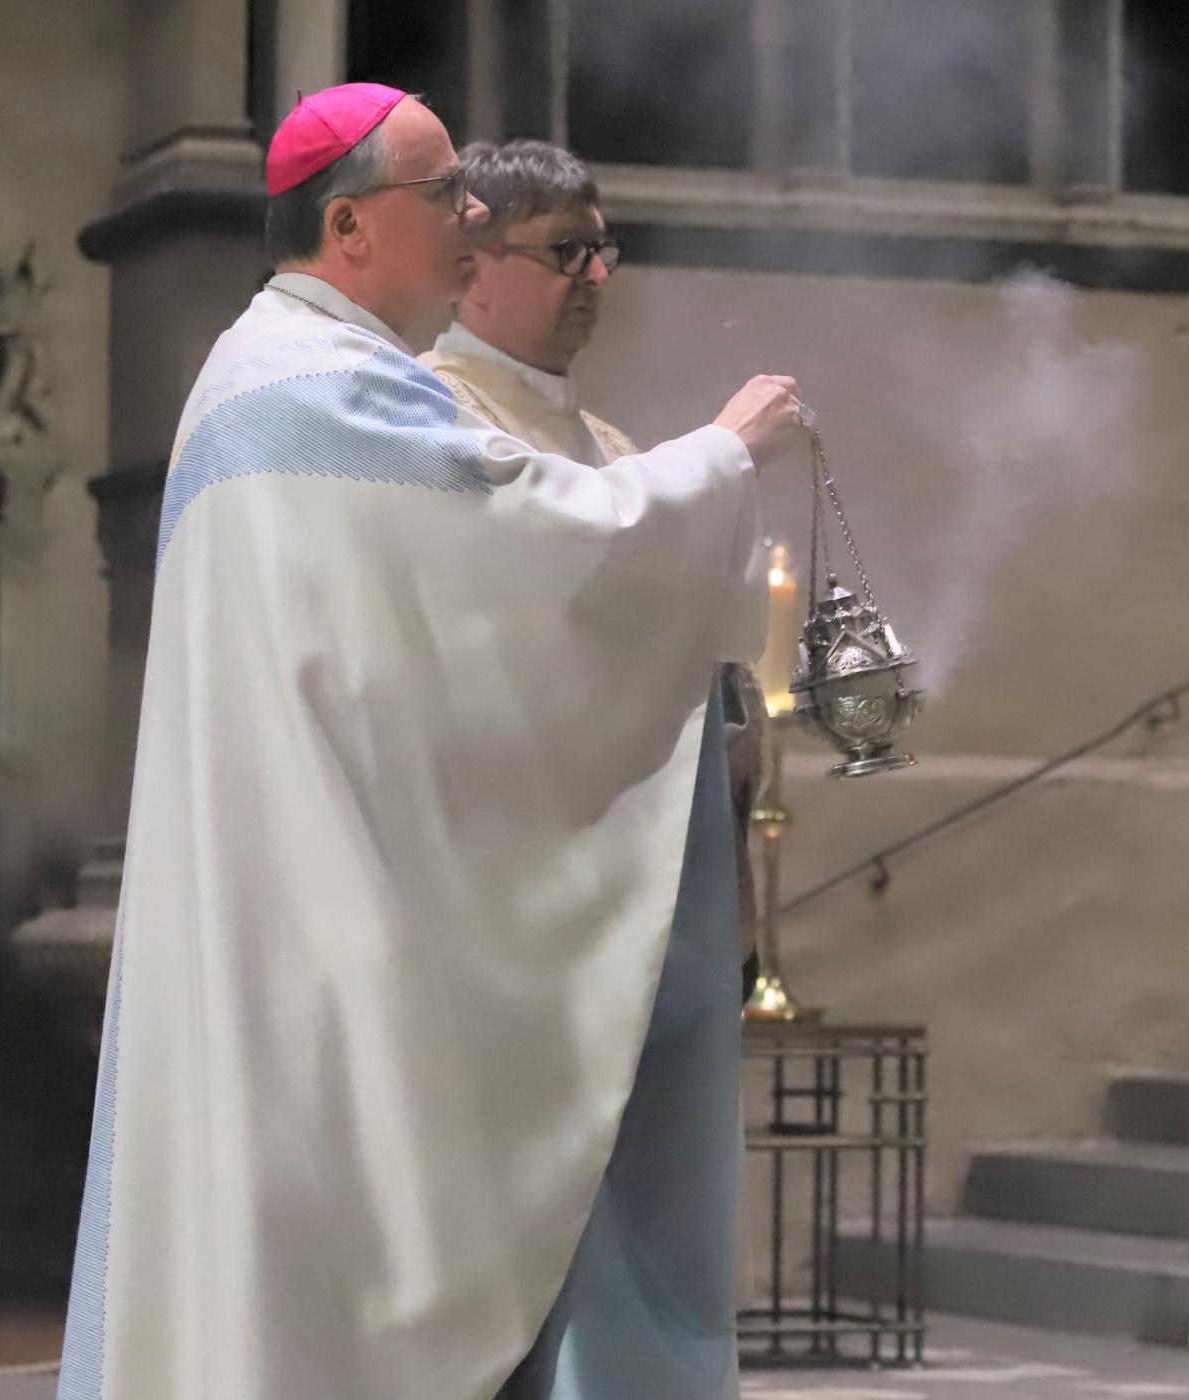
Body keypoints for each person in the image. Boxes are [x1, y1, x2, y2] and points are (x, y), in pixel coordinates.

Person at [57, 83, 809, 1400]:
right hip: (321, 939)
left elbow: (427, 657)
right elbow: (550, 551)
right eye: (443, 195)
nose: (472, 220)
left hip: (293, 908)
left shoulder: (267, 375)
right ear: (348, 226)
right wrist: (725, 457)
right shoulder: (333, 392)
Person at [418, 134, 770, 1397]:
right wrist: (721, 458)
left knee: (656, 1205)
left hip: (656, 892)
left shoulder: (613, 440)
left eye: (603, 248)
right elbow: (519, 628)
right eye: (566, 251)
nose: (596, 275)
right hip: (524, 907)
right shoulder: (432, 416)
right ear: (472, 269)